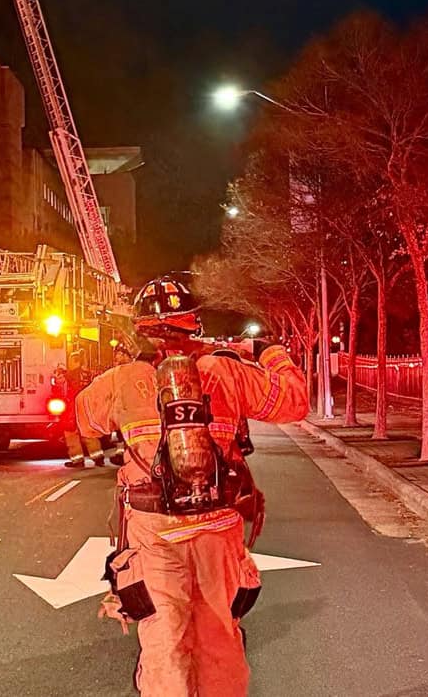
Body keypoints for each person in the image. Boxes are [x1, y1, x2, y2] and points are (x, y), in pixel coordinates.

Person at [76, 274, 308, 697]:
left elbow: (84, 419)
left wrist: (124, 374)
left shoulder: (122, 379)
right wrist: (269, 353)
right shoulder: (227, 371)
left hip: (155, 533)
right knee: (220, 637)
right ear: (193, 323)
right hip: (217, 527)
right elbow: (295, 402)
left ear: (140, 328)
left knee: (165, 643)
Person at [59, 349, 105, 468]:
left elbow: (62, 381)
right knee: (88, 431)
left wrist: (61, 372)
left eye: (70, 361)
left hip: (75, 406)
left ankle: (77, 459)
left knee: (71, 432)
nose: (69, 363)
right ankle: (98, 457)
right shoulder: (87, 374)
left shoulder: (72, 374)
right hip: (87, 406)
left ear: (76, 361)